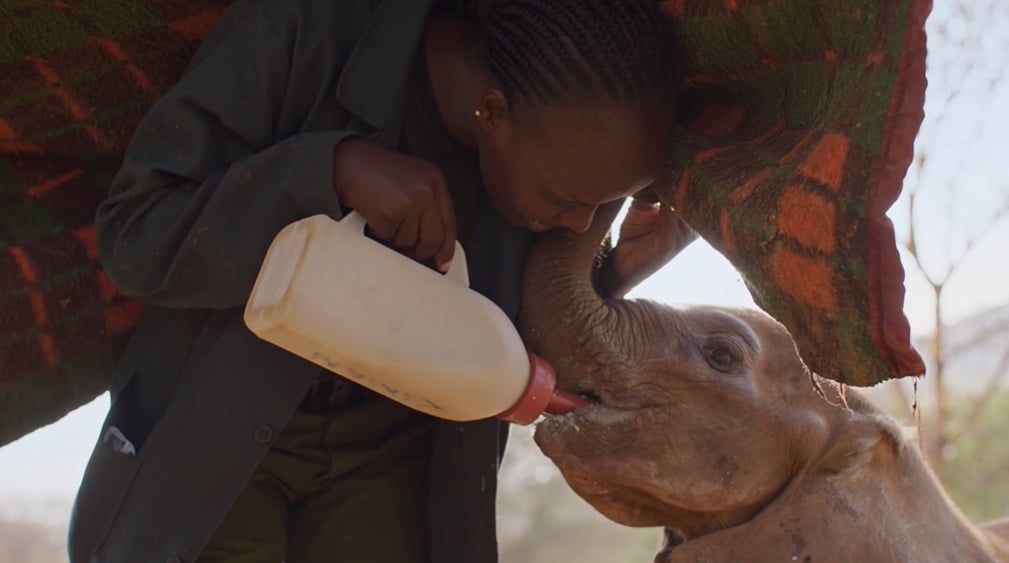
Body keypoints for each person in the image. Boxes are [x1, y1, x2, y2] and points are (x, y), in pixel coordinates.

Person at [68, 0, 689, 562]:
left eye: (597, 209)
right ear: (493, 111)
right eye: (566, 201)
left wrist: (610, 275)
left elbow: (506, 354)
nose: (578, 222)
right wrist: (325, 171)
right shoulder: (305, 34)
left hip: (401, 463)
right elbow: (136, 235)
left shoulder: (549, 169)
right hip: (211, 449)